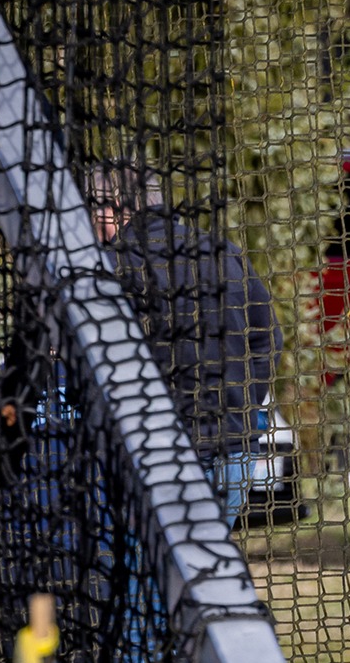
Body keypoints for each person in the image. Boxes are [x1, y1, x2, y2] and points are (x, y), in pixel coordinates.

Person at [92, 162, 279, 529]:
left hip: (160, 452)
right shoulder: (223, 251)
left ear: (115, 204)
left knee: (151, 576)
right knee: (205, 572)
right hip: (234, 444)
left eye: (91, 209)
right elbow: (269, 337)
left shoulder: (113, 264)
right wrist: (244, 401)